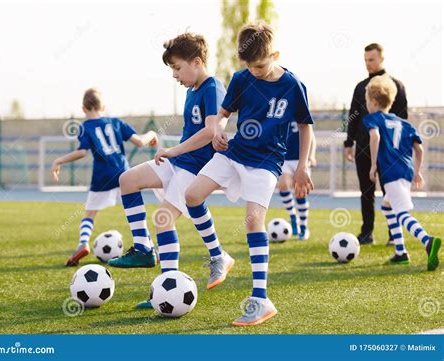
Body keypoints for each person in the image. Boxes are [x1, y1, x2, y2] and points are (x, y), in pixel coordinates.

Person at [183, 22, 314, 326]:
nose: (255, 71)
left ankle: (260, 299)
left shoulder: (293, 85)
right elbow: (224, 115)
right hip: (236, 152)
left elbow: (306, 127)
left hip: (267, 162)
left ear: (275, 54)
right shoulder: (242, 78)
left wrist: (303, 166)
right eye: (249, 66)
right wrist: (218, 132)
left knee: (254, 220)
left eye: (260, 65)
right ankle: (219, 255)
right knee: (191, 195)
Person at [108, 33, 228, 306]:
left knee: (163, 219)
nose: (175, 75)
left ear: (196, 62)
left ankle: (166, 291)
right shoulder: (192, 91)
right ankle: (143, 249)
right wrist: (174, 154)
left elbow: (211, 132)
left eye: (177, 68)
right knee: (127, 179)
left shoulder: (213, 87)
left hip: (195, 168)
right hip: (178, 162)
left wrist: (174, 150)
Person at [51, 88, 158, 266]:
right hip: (124, 173)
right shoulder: (116, 122)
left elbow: (82, 152)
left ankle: (83, 243)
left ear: (83, 108)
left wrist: (59, 160)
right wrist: (152, 134)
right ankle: (150, 247)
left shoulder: (85, 127)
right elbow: (139, 142)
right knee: (134, 211)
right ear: (103, 106)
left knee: (90, 212)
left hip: (102, 175)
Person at [364, 75, 440, 271]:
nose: (366, 105)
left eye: (366, 101)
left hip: (390, 171)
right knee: (387, 206)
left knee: (401, 213)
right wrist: (418, 171)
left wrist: (373, 165)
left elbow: (375, 136)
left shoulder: (373, 118)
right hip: (406, 170)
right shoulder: (405, 123)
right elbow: (419, 149)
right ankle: (400, 252)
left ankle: (427, 241)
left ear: (373, 101)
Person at [344, 43, 408, 245]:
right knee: (366, 192)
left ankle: (393, 234)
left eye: (371, 59)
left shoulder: (396, 85)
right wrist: (349, 142)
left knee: (391, 192)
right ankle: (366, 232)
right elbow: (353, 116)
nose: (368, 64)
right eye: (365, 60)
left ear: (381, 58)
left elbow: (402, 119)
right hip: (363, 148)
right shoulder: (360, 87)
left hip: (388, 151)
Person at [278, 124, 316, 240]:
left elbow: (311, 137)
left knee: (300, 192)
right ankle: (293, 217)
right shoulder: (280, 111)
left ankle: (303, 228)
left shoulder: (300, 110)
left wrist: (312, 156)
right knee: (283, 185)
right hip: (285, 159)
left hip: (301, 160)